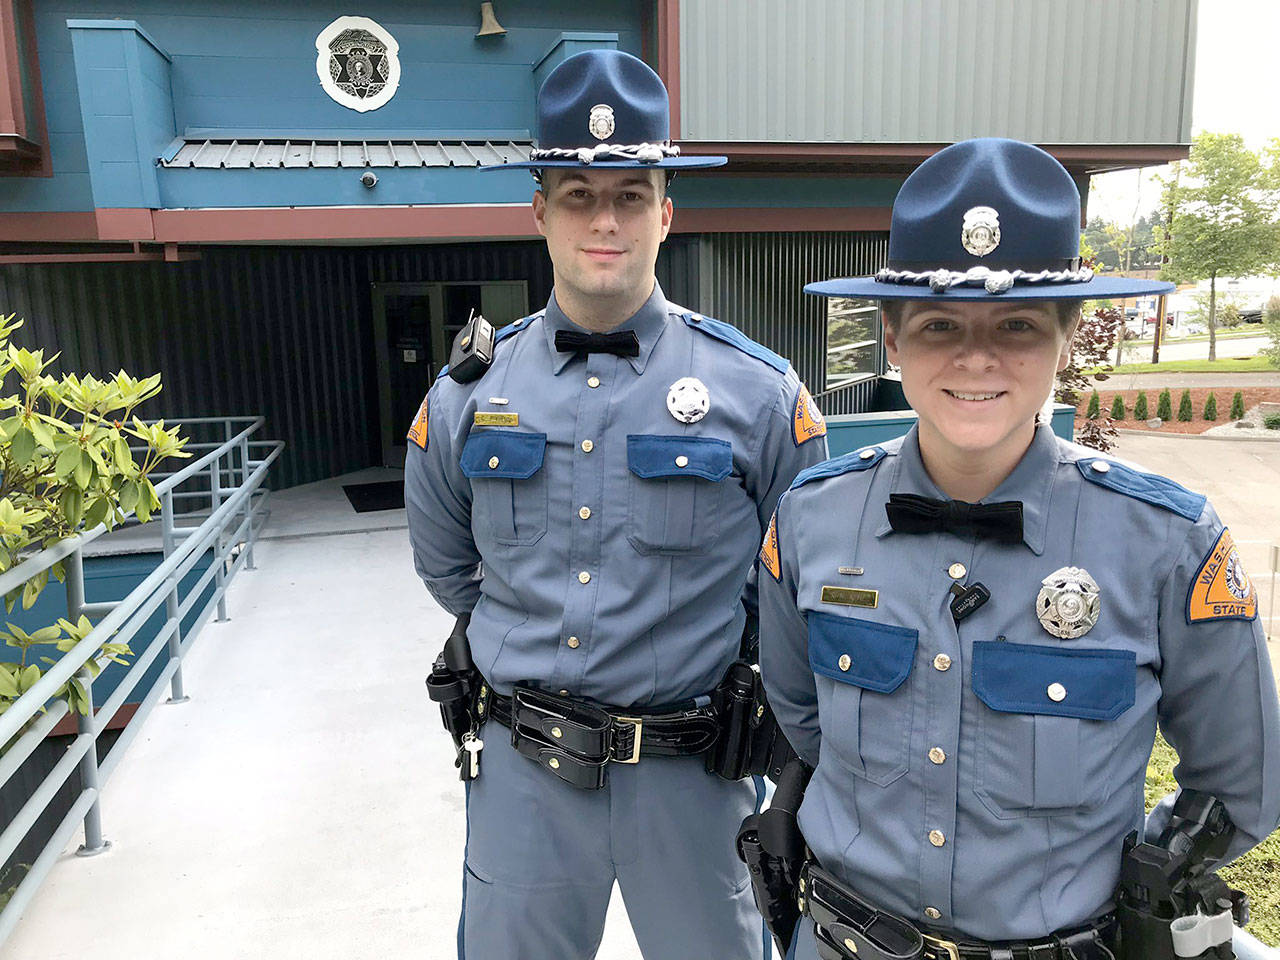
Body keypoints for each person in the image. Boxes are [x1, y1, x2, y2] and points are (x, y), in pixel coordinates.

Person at [757, 137, 1280, 960]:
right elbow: (802, 718)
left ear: (1067, 338)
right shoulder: (812, 521)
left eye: (1018, 324)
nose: (977, 357)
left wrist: (1127, 876)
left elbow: (1239, 786)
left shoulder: (1168, 541)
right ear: (891, 338)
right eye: (937, 324)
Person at [405, 49, 828, 960]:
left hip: (693, 774)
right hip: (523, 776)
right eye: (578, 195)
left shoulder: (758, 395)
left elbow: (802, 580)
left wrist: (734, 667)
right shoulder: (466, 396)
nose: (607, 219)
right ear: (541, 212)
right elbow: (447, 565)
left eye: (631, 194)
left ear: (666, 213)